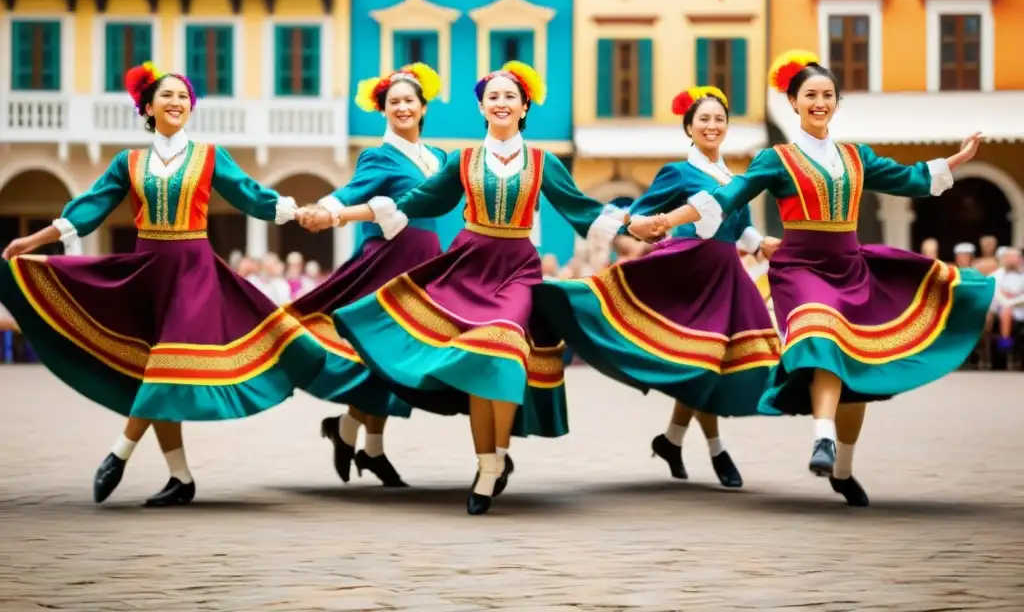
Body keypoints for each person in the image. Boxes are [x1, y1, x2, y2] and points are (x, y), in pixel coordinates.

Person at [630, 50, 994, 507]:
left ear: (836, 103)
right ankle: (821, 438)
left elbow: (908, 178)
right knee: (820, 334)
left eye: (826, 95)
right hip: (800, 268)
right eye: (809, 95)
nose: (819, 102)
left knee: (856, 367)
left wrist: (954, 161)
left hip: (850, 267)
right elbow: (725, 197)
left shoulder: (856, 157)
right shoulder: (776, 159)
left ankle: (841, 469)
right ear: (794, 102)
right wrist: (667, 219)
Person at [0, 62, 325, 507]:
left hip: (193, 272)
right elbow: (87, 209)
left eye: (183, 97)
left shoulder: (210, 156)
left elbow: (252, 195)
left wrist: (298, 212)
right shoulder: (128, 163)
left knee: (166, 364)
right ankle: (180, 478)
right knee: (153, 369)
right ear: (148, 107)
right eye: (167, 96)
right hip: (147, 272)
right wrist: (33, 240)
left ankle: (119, 453)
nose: (176, 102)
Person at [326, 61, 626, 515]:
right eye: (493, 97)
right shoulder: (462, 160)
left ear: (524, 107)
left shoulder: (543, 161)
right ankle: (487, 462)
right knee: (478, 361)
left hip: (516, 270)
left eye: (510, 96)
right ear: (482, 108)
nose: (501, 103)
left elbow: (581, 209)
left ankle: (494, 462)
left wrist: (638, 223)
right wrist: (338, 214)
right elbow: (412, 203)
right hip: (469, 264)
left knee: (504, 350)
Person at [534, 86, 781, 489]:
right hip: (688, 274)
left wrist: (762, 243)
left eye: (719, 119)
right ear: (689, 127)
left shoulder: (737, 179)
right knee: (702, 363)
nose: (712, 125)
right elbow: (640, 214)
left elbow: (743, 228)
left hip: (726, 276)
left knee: (709, 366)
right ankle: (716, 449)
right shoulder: (678, 172)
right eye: (704, 119)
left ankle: (671, 440)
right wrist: (641, 227)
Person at [291, 62, 450, 487]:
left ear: (422, 107)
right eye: (393, 102)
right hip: (386, 265)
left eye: (409, 101)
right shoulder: (378, 155)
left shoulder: (438, 157)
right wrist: (326, 210)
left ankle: (356, 438)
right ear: (384, 110)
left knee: (399, 361)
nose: (402, 107)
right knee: (385, 358)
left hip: (423, 266)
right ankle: (362, 443)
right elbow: (351, 191)